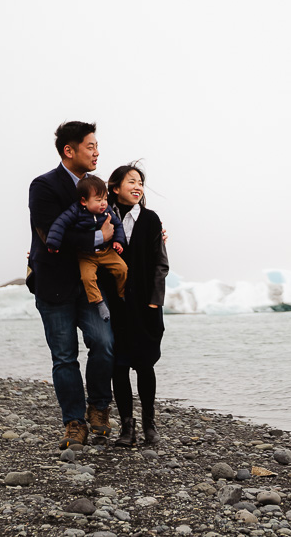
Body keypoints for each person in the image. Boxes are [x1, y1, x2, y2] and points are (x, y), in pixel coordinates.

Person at [27, 121, 116, 449]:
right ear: (70, 150)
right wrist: (98, 237)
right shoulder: (44, 186)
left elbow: (115, 220)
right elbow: (53, 235)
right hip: (53, 284)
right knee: (64, 357)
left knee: (104, 345)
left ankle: (99, 408)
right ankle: (74, 422)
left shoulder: (98, 186)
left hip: (91, 284)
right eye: (90, 146)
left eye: (96, 146)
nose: (96, 152)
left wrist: (153, 235)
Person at [106, 163, 169, 446]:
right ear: (115, 187)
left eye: (140, 182)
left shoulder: (151, 220)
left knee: (145, 365)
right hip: (115, 306)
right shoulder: (102, 217)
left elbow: (160, 264)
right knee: (118, 366)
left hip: (146, 306)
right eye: (131, 181)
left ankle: (149, 424)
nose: (138, 187)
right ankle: (126, 427)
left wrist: (155, 302)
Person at [46, 175, 128, 322]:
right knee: (88, 277)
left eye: (104, 199)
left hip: (106, 252)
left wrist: (118, 241)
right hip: (86, 255)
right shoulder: (75, 211)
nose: (103, 203)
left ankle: (122, 294)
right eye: (98, 200)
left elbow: (118, 225)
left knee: (122, 268)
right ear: (84, 201)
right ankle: (99, 303)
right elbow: (59, 225)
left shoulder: (107, 211)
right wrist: (53, 243)